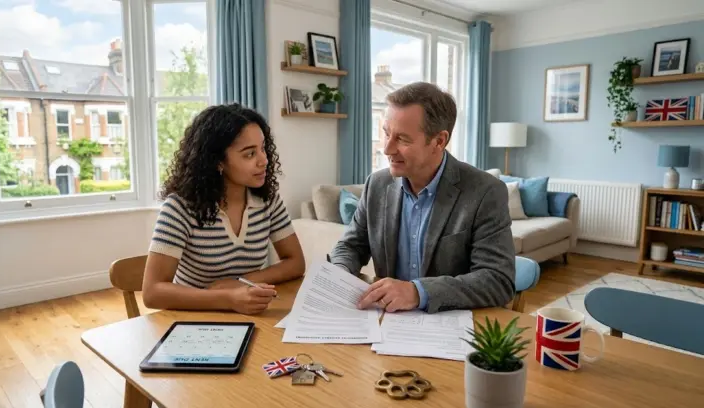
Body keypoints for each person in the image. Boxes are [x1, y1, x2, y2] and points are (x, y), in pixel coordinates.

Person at [329, 82, 515, 314]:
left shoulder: (485, 191)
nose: (387, 149)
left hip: (449, 327)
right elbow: (351, 246)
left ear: (439, 141)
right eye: (386, 133)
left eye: (403, 139)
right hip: (386, 323)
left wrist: (417, 292)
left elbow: (497, 281)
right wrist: (339, 274)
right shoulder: (377, 185)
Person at [142, 103, 306, 314]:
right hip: (193, 318)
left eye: (263, 148)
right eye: (249, 154)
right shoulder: (179, 208)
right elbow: (152, 292)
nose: (264, 160)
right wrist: (227, 298)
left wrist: (243, 282)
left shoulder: (268, 200)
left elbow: (296, 262)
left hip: (249, 314)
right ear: (217, 162)